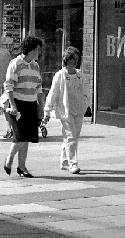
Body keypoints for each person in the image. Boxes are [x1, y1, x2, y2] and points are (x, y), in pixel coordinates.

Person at [3, 35, 45, 178]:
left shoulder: (35, 66)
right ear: (30, 50)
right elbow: (9, 86)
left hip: (31, 103)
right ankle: (9, 159)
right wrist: (13, 106)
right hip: (18, 103)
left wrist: (41, 108)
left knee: (27, 138)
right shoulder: (15, 64)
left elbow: (39, 88)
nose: (39, 53)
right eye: (37, 50)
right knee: (20, 136)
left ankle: (22, 167)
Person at [43, 46, 89, 175]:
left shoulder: (80, 75)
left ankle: (64, 161)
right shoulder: (60, 76)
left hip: (78, 110)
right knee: (71, 137)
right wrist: (47, 110)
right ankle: (73, 164)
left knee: (73, 137)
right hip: (66, 111)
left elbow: (86, 91)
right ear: (66, 61)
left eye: (76, 61)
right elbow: (53, 93)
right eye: (72, 61)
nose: (74, 63)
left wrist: (86, 103)